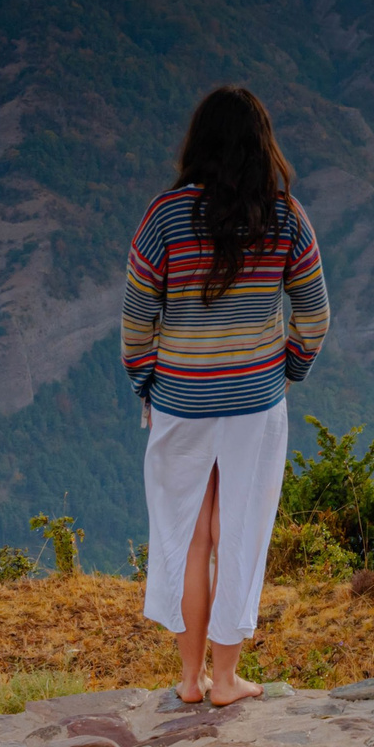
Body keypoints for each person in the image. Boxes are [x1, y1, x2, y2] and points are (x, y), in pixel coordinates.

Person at [122, 85, 330, 707]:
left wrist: (149, 384)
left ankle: (188, 681)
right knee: (239, 531)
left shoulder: (164, 217)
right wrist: (282, 371)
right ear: (263, 145)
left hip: (181, 401)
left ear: (200, 142)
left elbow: (136, 319)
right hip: (255, 405)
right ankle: (227, 679)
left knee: (189, 534)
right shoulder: (285, 216)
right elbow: (314, 318)